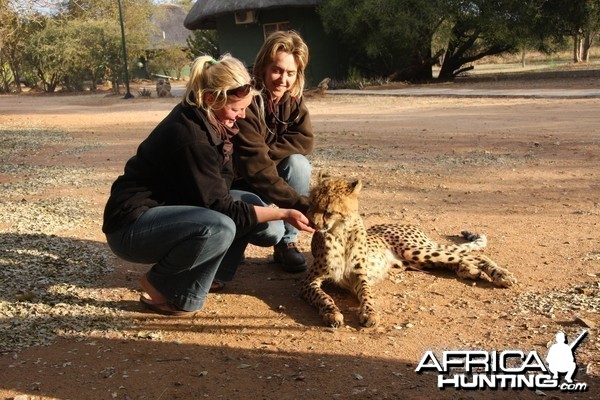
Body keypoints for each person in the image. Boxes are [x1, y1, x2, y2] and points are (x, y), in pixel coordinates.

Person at [102, 54, 314, 316]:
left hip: (173, 209)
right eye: (237, 109)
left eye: (245, 109)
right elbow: (223, 208)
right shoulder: (192, 136)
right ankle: (160, 285)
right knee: (221, 226)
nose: (241, 116)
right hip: (131, 228)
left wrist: (283, 212)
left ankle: (215, 276)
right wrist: (284, 212)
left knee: (258, 219)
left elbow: (225, 193)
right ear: (213, 99)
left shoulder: (212, 123)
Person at [233, 30, 313, 273]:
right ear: (262, 68)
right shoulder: (246, 98)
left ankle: (287, 243)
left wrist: (267, 153)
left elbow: (304, 140)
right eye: (277, 70)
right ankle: (232, 244)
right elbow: (254, 167)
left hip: (265, 169)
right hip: (242, 178)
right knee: (270, 231)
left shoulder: (293, 100)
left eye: (291, 73)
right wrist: (303, 207)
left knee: (298, 163)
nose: (283, 80)